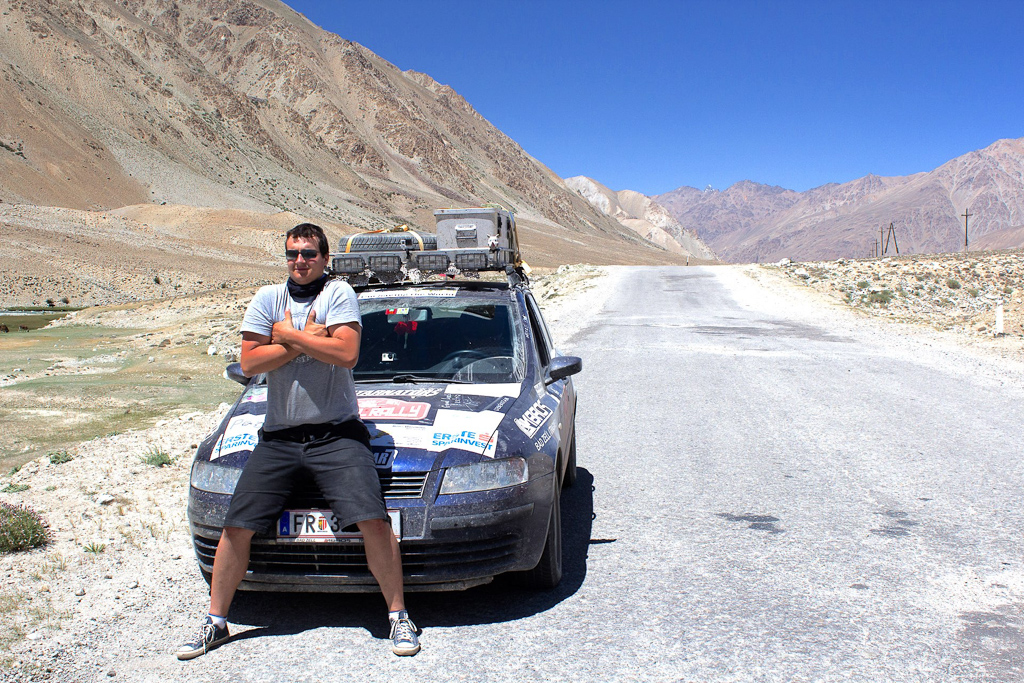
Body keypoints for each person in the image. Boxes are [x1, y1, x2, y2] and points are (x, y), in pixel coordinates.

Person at [176, 223, 420, 659]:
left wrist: (285, 335)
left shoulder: (338, 293)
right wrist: (307, 340)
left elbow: (346, 354)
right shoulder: (267, 298)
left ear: (324, 258)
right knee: (236, 526)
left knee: (373, 520)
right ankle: (216, 621)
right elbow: (250, 363)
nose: (300, 261)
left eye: (309, 253)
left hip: (337, 434)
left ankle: (398, 616)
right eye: (292, 254)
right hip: (279, 438)